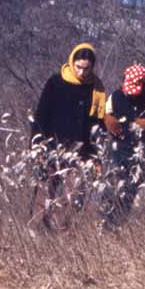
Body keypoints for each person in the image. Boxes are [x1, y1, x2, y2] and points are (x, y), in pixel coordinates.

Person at [29, 42, 106, 229]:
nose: (81, 72)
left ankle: (61, 232)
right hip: (52, 146)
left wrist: (97, 155)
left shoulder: (96, 88)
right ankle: (36, 232)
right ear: (72, 62)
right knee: (45, 191)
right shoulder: (56, 82)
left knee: (74, 195)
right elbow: (41, 115)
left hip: (82, 150)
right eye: (78, 67)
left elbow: (98, 123)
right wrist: (38, 145)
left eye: (86, 69)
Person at [101, 64, 145, 228]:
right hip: (118, 147)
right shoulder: (116, 96)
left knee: (131, 186)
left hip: (143, 148)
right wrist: (106, 119)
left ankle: (118, 223)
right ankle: (104, 222)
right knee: (112, 184)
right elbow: (101, 114)